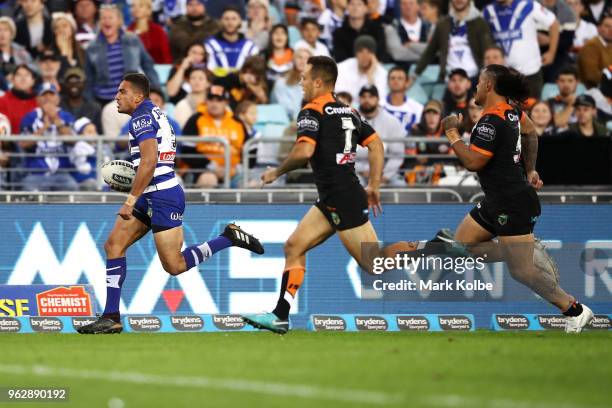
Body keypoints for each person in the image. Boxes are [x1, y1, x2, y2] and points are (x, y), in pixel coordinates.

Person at [391, 64, 594, 333]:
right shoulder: (511, 112)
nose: (474, 87)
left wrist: (452, 133)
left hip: (512, 202)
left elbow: (474, 162)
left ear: (488, 86)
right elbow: (531, 132)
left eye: (478, 83)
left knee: (521, 271)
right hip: (497, 200)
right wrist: (530, 169)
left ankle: (574, 309)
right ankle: (527, 250)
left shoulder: (490, 122)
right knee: (460, 246)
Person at [77, 73, 264, 334]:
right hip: (153, 192)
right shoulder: (153, 112)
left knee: (174, 265)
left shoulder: (141, 118)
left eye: (122, 92)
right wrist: (135, 186)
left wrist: (130, 199)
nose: (116, 97)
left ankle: (228, 238)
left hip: (163, 196)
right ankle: (111, 316)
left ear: (138, 96)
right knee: (113, 245)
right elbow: (153, 162)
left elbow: (150, 161)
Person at [241, 56, 386, 334]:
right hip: (334, 197)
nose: (301, 82)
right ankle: (280, 316)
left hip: (342, 197)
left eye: (305, 78)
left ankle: (432, 247)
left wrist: (277, 172)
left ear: (318, 82)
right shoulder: (350, 111)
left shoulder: (311, 111)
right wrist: (374, 186)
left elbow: (304, 152)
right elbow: (376, 144)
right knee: (294, 246)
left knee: (375, 265)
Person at [85, 3, 160, 105]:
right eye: (103, 18)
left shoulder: (132, 40)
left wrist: (156, 90)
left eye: (110, 18)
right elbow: (89, 78)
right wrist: (90, 103)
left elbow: (147, 65)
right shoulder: (92, 47)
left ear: (119, 21)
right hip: (103, 100)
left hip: (131, 98)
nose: (106, 21)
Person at [483, 0, 560, 98]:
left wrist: (551, 52)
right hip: (502, 75)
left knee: (531, 109)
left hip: (530, 72)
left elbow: (553, 23)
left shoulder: (529, 5)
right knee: (505, 111)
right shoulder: (488, 11)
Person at [181, 84, 247, 188]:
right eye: (211, 99)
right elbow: (187, 151)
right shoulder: (195, 120)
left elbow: (248, 151)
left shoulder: (237, 122)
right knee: (208, 180)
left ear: (226, 102)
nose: (214, 104)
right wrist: (212, 166)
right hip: (202, 169)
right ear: (206, 101)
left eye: (219, 100)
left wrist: (236, 168)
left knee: (251, 184)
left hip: (234, 170)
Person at [19, 82, 78, 191]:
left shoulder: (67, 116)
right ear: (37, 99)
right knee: (29, 189)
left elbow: (73, 141)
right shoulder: (29, 117)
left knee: (72, 188)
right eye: (44, 95)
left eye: (51, 94)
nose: (48, 98)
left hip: (62, 174)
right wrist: (44, 127)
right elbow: (23, 144)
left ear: (58, 99)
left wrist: (56, 120)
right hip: (35, 173)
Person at [414, 0, 493, 82]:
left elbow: (488, 51)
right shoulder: (443, 24)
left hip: (475, 79)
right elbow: (429, 52)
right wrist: (415, 74)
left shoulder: (480, 23)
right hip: (449, 80)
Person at [355, 84, 405, 186]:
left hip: (385, 173)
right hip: (356, 172)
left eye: (371, 97)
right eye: (363, 97)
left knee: (399, 184)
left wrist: (385, 175)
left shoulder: (392, 121)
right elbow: (344, 153)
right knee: (351, 185)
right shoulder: (348, 119)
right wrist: (359, 169)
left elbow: (397, 155)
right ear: (359, 99)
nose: (367, 100)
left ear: (378, 99)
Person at [205, 6, 259, 77]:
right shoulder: (210, 45)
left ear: (240, 21)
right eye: (226, 19)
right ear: (221, 21)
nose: (230, 23)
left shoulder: (250, 47)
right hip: (216, 84)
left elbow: (253, 71)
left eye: (234, 19)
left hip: (242, 85)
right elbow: (208, 70)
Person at [335, 35, 388, 103]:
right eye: (360, 51)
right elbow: (339, 94)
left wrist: (370, 77)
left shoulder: (382, 73)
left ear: (373, 55)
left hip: (369, 111)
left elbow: (380, 101)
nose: (364, 55)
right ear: (356, 53)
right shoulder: (343, 67)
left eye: (369, 51)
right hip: (346, 110)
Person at [271, 47, 312, 120]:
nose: (303, 61)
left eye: (307, 58)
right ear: (293, 61)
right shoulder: (281, 82)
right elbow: (285, 109)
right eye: (299, 57)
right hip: (289, 122)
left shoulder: (316, 84)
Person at [128, 0, 172, 64]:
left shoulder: (158, 31)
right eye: (133, 6)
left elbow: (166, 56)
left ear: (149, 10)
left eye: (141, 6)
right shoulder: (129, 31)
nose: (136, 8)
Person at [383, 66, 423, 134]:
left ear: (407, 83)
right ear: (387, 82)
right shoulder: (378, 105)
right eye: (392, 78)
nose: (396, 81)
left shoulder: (418, 108)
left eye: (400, 78)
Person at [60, 66, 101, 131]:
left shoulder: (94, 108)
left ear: (84, 84)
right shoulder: (59, 106)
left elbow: (99, 133)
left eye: (78, 81)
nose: (74, 84)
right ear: (65, 84)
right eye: (70, 81)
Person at [0, 63, 38, 133]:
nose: (23, 78)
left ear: (33, 81)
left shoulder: (40, 102)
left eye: (27, 75)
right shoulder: (2, 101)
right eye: (19, 75)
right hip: (9, 142)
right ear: (12, 80)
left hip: (35, 142)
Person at [577, 12, 612, 88]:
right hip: (593, 90)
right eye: (607, 26)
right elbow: (591, 75)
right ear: (599, 28)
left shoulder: (609, 45)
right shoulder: (591, 46)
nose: (611, 30)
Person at [174, 64, 210, 129]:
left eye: (201, 78)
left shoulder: (216, 103)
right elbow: (181, 129)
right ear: (189, 82)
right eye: (193, 78)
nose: (197, 81)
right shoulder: (182, 105)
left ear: (208, 83)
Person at [51, 12, 85, 76]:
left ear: (72, 29)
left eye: (64, 26)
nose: (61, 30)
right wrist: (63, 52)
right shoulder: (51, 56)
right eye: (56, 28)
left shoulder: (83, 52)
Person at [547, 65, 579, 130]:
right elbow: (558, 123)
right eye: (562, 81)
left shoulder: (584, 102)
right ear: (557, 82)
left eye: (570, 81)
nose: (566, 84)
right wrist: (572, 103)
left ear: (577, 82)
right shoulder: (548, 103)